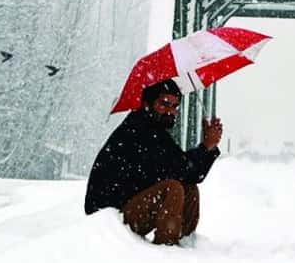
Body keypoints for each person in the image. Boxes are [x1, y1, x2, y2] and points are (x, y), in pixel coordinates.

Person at [84, 79, 223, 246]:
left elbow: (187, 171)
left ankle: (185, 242)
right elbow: (184, 169)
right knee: (173, 188)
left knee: (189, 188)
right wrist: (207, 147)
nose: (170, 111)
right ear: (147, 104)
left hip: (128, 207)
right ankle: (167, 251)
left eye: (174, 106)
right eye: (164, 104)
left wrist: (208, 148)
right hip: (109, 221)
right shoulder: (139, 130)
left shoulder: (154, 129)